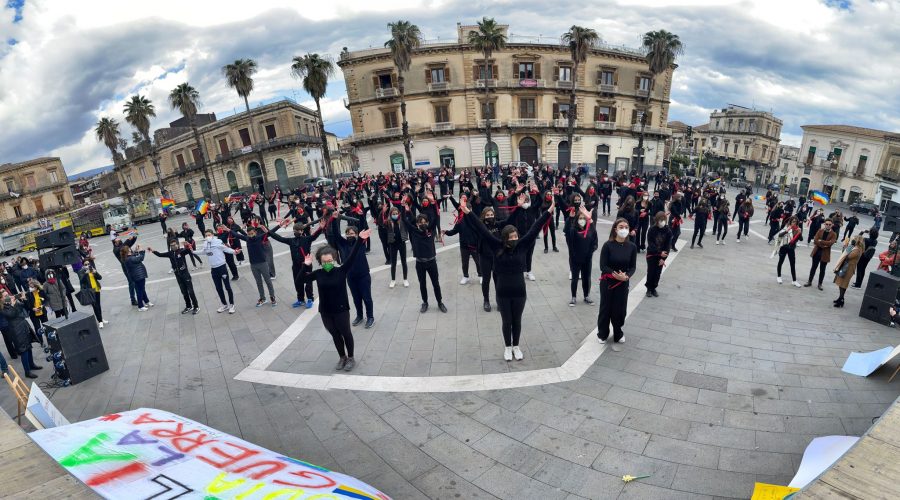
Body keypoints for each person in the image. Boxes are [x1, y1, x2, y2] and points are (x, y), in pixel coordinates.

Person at [461, 195, 552, 361]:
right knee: (506, 321)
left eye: (515, 236)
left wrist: (550, 211)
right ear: (504, 238)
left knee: (517, 321)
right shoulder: (497, 246)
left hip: (519, 293)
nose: (514, 239)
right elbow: (481, 228)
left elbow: (535, 228)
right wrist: (468, 212)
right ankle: (507, 347)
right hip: (502, 293)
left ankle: (516, 346)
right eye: (510, 237)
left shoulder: (522, 246)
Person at [301, 230, 371, 371]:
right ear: (320, 262)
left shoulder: (341, 271)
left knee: (346, 333)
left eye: (330, 261)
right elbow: (300, 280)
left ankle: (350, 357)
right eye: (324, 261)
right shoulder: (318, 274)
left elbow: (351, 257)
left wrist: (359, 240)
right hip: (325, 311)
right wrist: (305, 265)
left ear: (334, 259)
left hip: (341, 310)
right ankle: (342, 357)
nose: (327, 263)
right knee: (334, 334)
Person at [596, 218, 637, 351]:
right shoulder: (608, 245)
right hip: (608, 282)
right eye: (621, 227)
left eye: (626, 226)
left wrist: (626, 276)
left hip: (623, 283)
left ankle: (618, 332)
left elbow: (632, 267)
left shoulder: (632, 247)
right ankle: (602, 333)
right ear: (615, 229)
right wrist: (615, 274)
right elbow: (603, 266)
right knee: (605, 308)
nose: (624, 229)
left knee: (620, 309)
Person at [403, 202, 447, 313]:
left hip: (432, 262)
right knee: (422, 284)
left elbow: (436, 217)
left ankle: (440, 302)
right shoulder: (414, 231)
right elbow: (404, 220)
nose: (423, 224)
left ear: (427, 223)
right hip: (420, 263)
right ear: (417, 224)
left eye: (424, 222)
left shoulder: (430, 230)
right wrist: (405, 209)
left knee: (435, 283)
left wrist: (434, 204)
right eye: (420, 222)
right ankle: (425, 302)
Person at [331, 220, 375, 329]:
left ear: (356, 234)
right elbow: (336, 234)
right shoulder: (343, 243)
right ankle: (359, 315)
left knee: (367, 297)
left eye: (352, 233)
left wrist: (361, 216)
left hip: (363, 275)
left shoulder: (360, 242)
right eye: (347, 233)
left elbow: (362, 231)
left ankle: (370, 317)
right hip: (350, 276)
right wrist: (333, 220)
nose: (349, 235)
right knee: (356, 298)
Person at [231, 223, 277, 307]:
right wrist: (228, 230)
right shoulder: (247, 239)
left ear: (255, 232)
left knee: (268, 281)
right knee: (258, 282)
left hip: (263, 263)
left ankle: (272, 296)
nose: (251, 235)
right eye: (249, 234)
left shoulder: (260, 237)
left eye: (252, 233)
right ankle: (262, 298)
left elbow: (271, 232)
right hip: (253, 265)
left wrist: (279, 225)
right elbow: (237, 235)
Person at [194, 229, 238, 314]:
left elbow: (226, 249)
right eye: (206, 235)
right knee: (218, 288)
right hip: (213, 269)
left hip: (222, 267)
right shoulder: (205, 243)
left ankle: (231, 305)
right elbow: (203, 252)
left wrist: (234, 252)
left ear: (213, 235)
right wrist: (193, 251)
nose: (207, 237)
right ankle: (224, 304)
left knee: (227, 287)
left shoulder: (218, 241)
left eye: (209, 235)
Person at [149, 241, 200, 314]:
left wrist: (188, 245)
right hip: (178, 276)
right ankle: (188, 306)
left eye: (174, 245)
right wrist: (153, 250)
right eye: (171, 245)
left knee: (190, 291)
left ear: (177, 245)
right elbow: (160, 255)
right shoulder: (170, 253)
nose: (173, 246)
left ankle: (196, 306)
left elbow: (188, 250)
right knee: (184, 292)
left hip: (185, 274)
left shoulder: (181, 251)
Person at [0, 293, 42, 378]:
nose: (8, 296)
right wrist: (13, 304)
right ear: (1, 299)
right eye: (5, 296)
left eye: (7, 294)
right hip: (16, 330)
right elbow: (12, 315)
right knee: (24, 350)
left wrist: (24, 299)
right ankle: (27, 371)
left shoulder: (12, 302)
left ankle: (32, 364)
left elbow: (24, 306)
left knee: (29, 347)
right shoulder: (2, 308)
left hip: (23, 326)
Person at [566, 205, 598, 306]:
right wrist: (570, 218)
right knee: (575, 278)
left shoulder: (590, 230)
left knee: (586, 277)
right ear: (577, 219)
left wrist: (590, 218)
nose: (582, 220)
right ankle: (573, 297)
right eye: (580, 218)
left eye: (584, 218)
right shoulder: (573, 230)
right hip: (575, 259)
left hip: (587, 259)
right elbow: (568, 235)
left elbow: (595, 242)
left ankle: (586, 296)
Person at [805, 218, 837, 290]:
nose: (828, 225)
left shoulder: (834, 234)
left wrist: (821, 241)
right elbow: (815, 240)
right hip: (817, 252)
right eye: (826, 224)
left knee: (822, 270)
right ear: (824, 224)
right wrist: (824, 244)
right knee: (813, 268)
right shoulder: (820, 230)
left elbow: (831, 243)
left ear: (832, 225)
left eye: (829, 224)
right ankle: (809, 281)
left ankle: (820, 284)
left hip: (825, 254)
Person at [832, 234, 864, 308]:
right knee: (841, 283)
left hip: (848, 269)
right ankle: (840, 298)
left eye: (854, 239)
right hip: (845, 267)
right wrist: (846, 247)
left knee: (843, 284)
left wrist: (846, 246)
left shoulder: (857, 250)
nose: (852, 240)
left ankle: (841, 300)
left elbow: (848, 256)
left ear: (857, 240)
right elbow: (845, 253)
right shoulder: (854, 247)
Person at [645, 212, 672, 297]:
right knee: (651, 271)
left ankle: (654, 288)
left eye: (663, 220)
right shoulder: (652, 229)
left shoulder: (668, 231)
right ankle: (649, 288)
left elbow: (668, 245)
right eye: (660, 220)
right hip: (652, 254)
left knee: (658, 273)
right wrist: (659, 252)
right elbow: (651, 243)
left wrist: (663, 258)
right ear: (656, 220)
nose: (662, 222)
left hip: (662, 255)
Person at [382, 206, 410, 288]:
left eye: (396, 213)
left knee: (404, 262)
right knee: (393, 263)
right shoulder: (388, 222)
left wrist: (405, 208)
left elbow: (407, 217)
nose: (395, 215)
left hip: (402, 243)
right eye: (393, 214)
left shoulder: (402, 221)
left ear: (399, 214)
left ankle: (405, 279)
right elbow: (381, 222)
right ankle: (393, 280)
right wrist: (383, 212)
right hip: (393, 244)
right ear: (390, 214)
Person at [775, 216, 803, 287]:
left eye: (796, 222)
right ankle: (779, 276)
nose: (794, 223)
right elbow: (780, 235)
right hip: (784, 247)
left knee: (792, 264)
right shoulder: (787, 227)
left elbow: (801, 239)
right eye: (793, 221)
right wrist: (786, 230)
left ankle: (794, 280)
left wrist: (800, 233)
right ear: (790, 222)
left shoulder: (798, 229)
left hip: (791, 249)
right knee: (781, 261)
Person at [122, 245, 152, 311]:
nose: (130, 249)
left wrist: (136, 250)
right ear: (128, 250)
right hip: (138, 276)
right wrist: (141, 251)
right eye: (129, 248)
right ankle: (140, 306)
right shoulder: (130, 258)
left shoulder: (127, 257)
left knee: (142, 289)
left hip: (137, 276)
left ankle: (146, 301)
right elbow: (141, 258)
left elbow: (134, 255)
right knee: (140, 291)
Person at [78, 261, 105, 327]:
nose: (87, 265)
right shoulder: (81, 271)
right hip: (90, 291)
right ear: (83, 265)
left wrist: (95, 272)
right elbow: (81, 281)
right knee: (95, 306)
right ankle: (100, 321)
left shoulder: (92, 269)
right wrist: (86, 274)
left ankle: (101, 318)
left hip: (96, 289)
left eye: (88, 264)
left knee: (98, 305)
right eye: (85, 264)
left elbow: (100, 277)